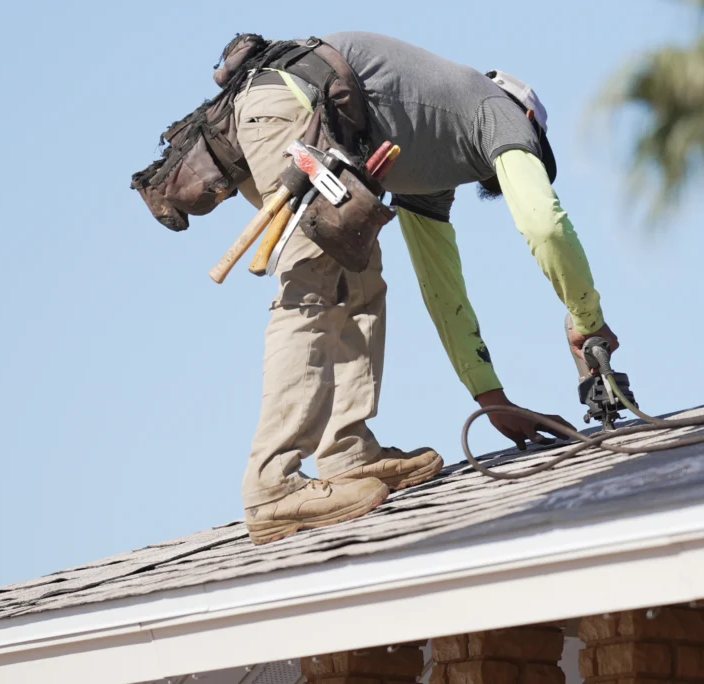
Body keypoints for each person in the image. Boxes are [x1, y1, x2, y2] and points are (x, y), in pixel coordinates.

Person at [234, 31, 618, 544]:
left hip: (293, 106)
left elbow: (442, 289)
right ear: (530, 124)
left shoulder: (427, 157)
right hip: (293, 106)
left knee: (361, 282)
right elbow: (545, 226)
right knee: (314, 287)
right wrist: (586, 319)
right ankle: (271, 485)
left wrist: (494, 401)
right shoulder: (498, 109)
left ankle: (347, 456)